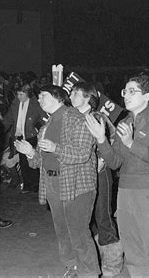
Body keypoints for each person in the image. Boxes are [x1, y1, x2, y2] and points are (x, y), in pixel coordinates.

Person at [85, 73, 149, 277]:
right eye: (125, 91)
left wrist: (131, 144)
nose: (126, 95)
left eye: (132, 91)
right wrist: (101, 140)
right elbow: (115, 162)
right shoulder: (124, 123)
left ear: (147, 96)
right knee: (133, 254)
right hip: (126, 195)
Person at [15, 85, 100, 277]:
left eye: (43, 96)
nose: (39, 100)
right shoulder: (45, 127)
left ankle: (89, 273)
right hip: (53, 183)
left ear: (58, 97)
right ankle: (72, 268)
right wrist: (29, 151)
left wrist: (56, 148)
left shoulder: (78, 119)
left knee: (78, 233)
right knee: (62, 232)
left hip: (77, 185)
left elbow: (82, 153)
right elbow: (38, 161)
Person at [70, 82, 123, 276]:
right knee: (82, 219)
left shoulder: (98, 117)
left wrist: (101, 160)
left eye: (77, 93)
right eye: (72, 92)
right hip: (78, 175)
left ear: (88, 98)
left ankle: (113, 263)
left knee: (103, 216)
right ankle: (87, 264)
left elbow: (112, 141)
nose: (72, 95)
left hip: (100, 174)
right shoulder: (70, 117)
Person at [2, 83, 46, 194]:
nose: (19, 97)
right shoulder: (15, 104)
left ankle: (36, 186)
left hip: (31, 136)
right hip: (19, 136)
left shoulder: (35, 104)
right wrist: (0, 130)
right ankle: (27, 186)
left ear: (27, 93)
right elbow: (8, 119)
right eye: (17, 94)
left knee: (32, 162)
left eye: (21, 94)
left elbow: (44, 118)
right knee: (23, 162)